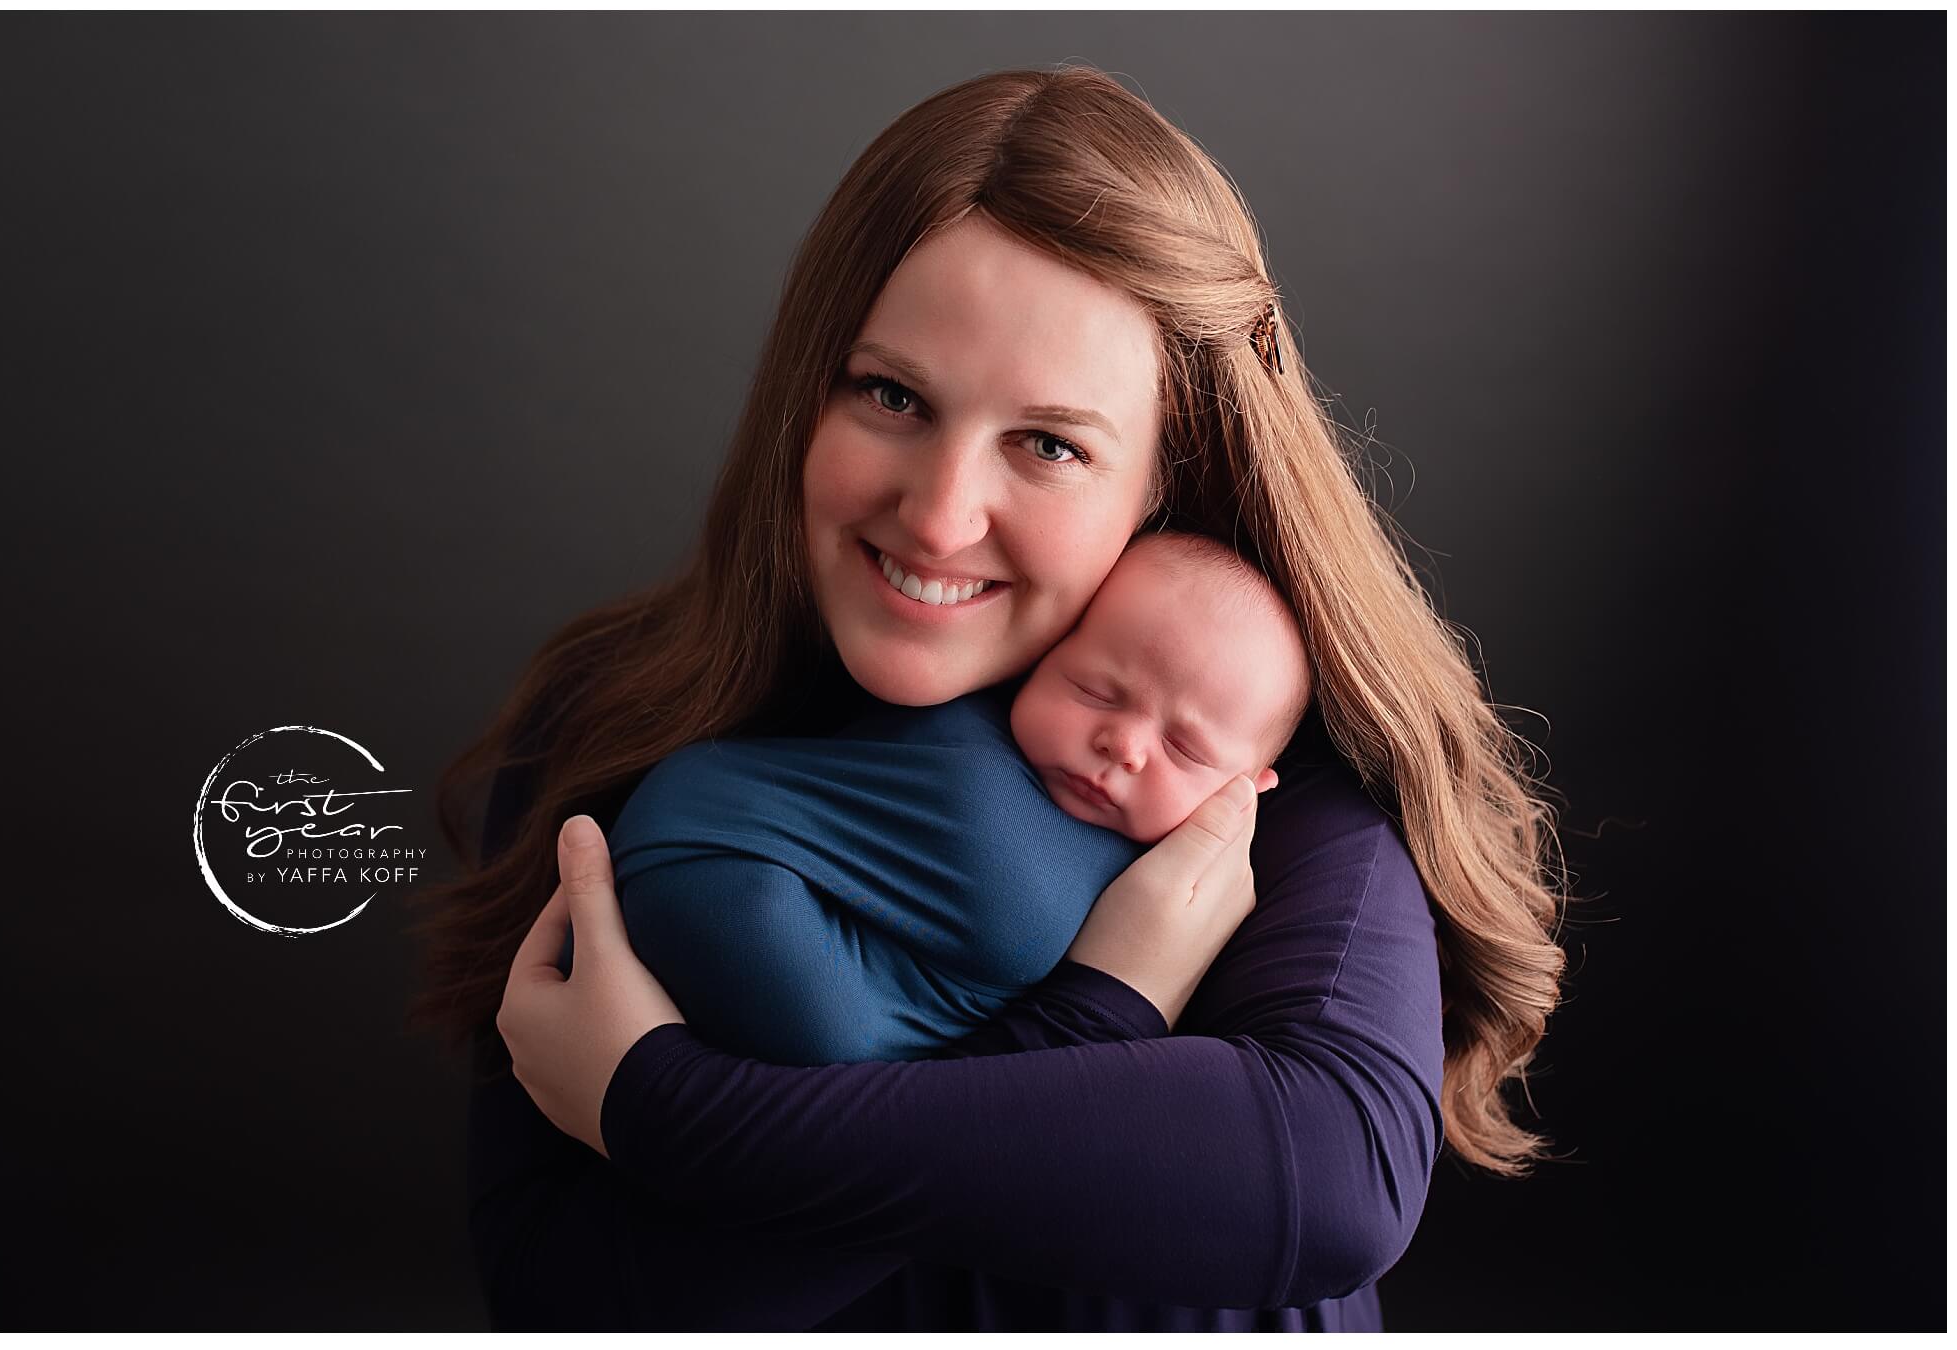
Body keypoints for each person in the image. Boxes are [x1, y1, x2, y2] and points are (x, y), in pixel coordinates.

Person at [406, 65, 1570, 1332]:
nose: (940, 514)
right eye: (891, 395)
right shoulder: (607, 715)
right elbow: (564, 1295)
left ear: (1164, 478)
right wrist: (1100, 1013)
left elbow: (1332, 1187)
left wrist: (659, 1101)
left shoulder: (1244, 768)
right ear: (805, 390)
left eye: (1050, 444)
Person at [576, 530, 1310, 1067]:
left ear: (1248, 792)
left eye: (1184, 749)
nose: (1124, 746)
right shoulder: (973, 771)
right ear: (1038, 661)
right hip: (712, 875)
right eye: (1093, 690)